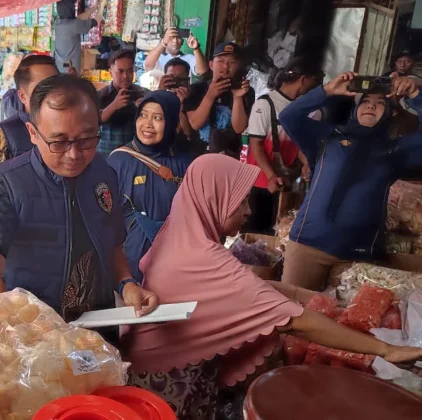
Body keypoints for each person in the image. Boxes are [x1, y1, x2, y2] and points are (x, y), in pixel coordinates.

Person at [123, 154, 422, 419]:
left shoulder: (180, 235)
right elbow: (293, 322)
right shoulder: (204, 257)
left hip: (158, 366)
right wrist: (386, 350)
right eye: (240, 201)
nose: (248, 211)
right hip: (168, 380)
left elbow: (244, 288)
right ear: (213, 198)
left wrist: (307, 297)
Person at [0, 75, 159, 342]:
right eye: (59, 142)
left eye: (86, 139)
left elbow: (112, 244)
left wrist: (126, 284)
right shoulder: (6, 184)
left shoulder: (104, 173)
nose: (74, 154)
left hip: (97, 329)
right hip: (32, 334)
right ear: (33, 133)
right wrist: (7, 331)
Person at [279, 72, 422, 291]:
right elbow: (288, 117)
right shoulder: (328, 137)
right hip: (308, 247)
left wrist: (414, 94)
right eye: (365, 101)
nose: (371, 106)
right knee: (291, 308)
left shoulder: (394, 150)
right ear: (355, 108)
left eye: (380, 103)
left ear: (390, 112)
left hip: (357, 254)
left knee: (344, 313)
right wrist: (327, 91)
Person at [107, 91, 192, 283]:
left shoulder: (184, 163)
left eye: (157, 118)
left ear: (172, 123)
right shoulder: (119, 161)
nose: (147, 124)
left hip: (174, 263)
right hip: (131, 266)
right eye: (143, 115)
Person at [243, 58, 324, 234]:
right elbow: (256, 145)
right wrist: (271, 176)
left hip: (287, 181)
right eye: (315, 82)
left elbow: (297, 143)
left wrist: (306, 163)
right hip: (261, 182)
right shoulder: (265, 104)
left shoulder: (306, 109)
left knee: (282, 230)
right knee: (256, 232)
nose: (317, 88)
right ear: (303, 79)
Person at [0, 55, 59, 170]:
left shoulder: (70, 128)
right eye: (43, 89)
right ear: (22, 96)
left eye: (56, 87)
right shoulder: (4, 137)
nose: (52, 94)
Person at [184, 42, 255, 159]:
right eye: (220, 61)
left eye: (232, 62)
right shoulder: (196, 89)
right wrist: (210, 95)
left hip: (229, 155)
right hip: (198, 154)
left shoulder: (246, 91)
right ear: (211, 65)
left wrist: (237, 97)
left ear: (239, 66)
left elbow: (239, 128)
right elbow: (195, 124)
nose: (225, 66)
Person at [97, 50, 150, 156]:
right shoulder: (101, 95)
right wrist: (114, 106)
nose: (125, 76)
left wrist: (144, 109)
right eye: (120, 71)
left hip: (136, 153)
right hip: (107, 154)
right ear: (110, 72)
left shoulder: (143, 93)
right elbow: (94, 121)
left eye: (129, 71)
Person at [53, 0, 103, 72]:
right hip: (70, 68)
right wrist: (102, 6)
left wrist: (94, 8)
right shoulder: (72, 26)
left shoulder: (58, 23)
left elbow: (79, 19)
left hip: (61, 65)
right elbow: (96, 21)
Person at [143, 28, 208, 79]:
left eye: (178, 37)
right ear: (165, 39)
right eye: (171, 37)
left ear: (182, 42)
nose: (175, 41)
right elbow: (148, 65)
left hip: (182, 92)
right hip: (162, 92)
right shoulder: (158, 58)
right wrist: (163, 43)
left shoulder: (189, 58)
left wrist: (196, 48)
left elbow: (202, 70)